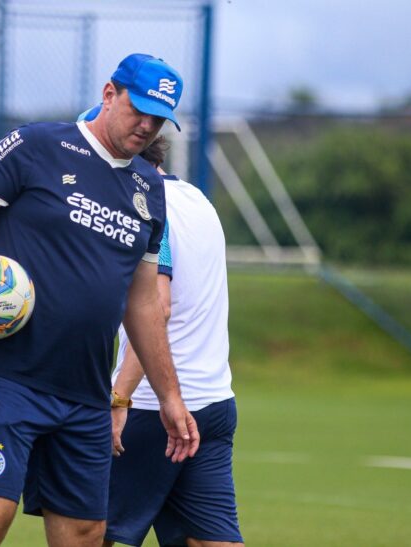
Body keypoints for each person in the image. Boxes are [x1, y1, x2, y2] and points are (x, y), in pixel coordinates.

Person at [0, 53, 199, 547]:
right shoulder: (35, 146)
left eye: (158, 119)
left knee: (85, 534)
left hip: (86, 389)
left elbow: (143, 304)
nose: (146, 125)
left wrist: (169, 396)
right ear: (109, 93)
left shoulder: (149, 189)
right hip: (9, 374)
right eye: (138, 109)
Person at [81, 113, 244, 546]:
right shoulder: (197, 200)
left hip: (152, 409)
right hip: (213, 403)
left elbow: (158, 305)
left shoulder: (144, 206)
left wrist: (119, 398)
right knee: (207, 539)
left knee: (83, 532)